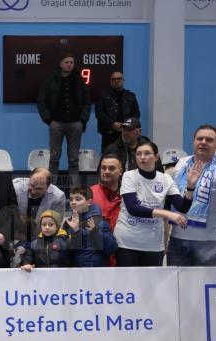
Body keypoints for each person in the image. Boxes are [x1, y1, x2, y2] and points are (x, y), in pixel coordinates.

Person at [114, 140, 200, 267]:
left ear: (156, 157)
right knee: (129, 284)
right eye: (139, 154)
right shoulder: (129, 176)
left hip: (153, 244)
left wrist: (191, 187)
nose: (142, 157)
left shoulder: (165, 179)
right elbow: (133, 208)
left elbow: (182, 207)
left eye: (147, 153)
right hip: (127, 242)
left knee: (151, 285)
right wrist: (167, 214)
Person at [166, 125, 216, 266]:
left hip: (208, 241)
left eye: (209, 140)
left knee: (202, 285)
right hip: (177, 238)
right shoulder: (181, 163)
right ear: (193, 142)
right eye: (200, 138)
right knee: (177, 286)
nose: (203, 142)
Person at [37, 52, 91, 187]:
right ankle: (51, 188)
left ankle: (75, 190)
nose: (69, 65)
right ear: (61, 64)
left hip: (75, 124)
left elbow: (86, 102)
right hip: (56, 124)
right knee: (54, 157)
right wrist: (48, 120)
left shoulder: (79, 80)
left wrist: (82, 121)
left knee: (73, 159)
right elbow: (41, 101)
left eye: (71, 62)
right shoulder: (51, 80)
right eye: (67, 62)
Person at [64, 186, 117, 267]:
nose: (73, 202)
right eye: (71, 199)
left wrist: (95, 232)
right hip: (76, 272)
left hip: (97, 272)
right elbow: (68, 253)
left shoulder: (99, 222)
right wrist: (76, 231)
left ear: (89, 202)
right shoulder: (68, 223)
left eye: (78, 199)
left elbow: (111, 249)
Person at [13, 167, 66, 243]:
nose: (33, 191)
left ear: (48, 187)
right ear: (30, 178)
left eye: (39, 189)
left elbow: (56, 224)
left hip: (42, 235)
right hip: (17, 231)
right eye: (32, 185)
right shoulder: (16, 188)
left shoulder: (58, 197)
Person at [95, 71, 141, 153]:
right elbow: (99, 113)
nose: (116, 81)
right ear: (111, 81)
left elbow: (136, 113)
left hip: (128, 131)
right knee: (108, 155)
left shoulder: (131, 95)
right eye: (114, 79)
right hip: (109, 132)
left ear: (123, 81)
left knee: (129, 154)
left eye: (119, 79)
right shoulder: (103, 95)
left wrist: (127, 125)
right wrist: (112, 124)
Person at [90, 154, 123, 232]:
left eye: (111, 168)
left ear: (120, 171)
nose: (107, 171)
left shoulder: (129, 195)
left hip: (123, 242)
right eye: (103, 168)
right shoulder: (89, 194)